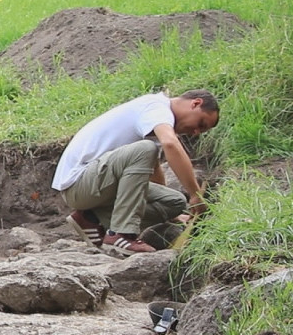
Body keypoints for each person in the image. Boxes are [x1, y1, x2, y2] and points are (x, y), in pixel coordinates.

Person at [51, 89, 220, 256]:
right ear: (195, 103)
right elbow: (170, 144)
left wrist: (171, 217)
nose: (196, 132)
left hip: (99, 185)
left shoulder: (155, 124)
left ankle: (92, 218)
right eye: (201, 124)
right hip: (78, 183)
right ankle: (121, 234)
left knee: (174, 201)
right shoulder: (157, 107)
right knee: (145, 149)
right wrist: (195, 194)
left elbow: (153, 170)